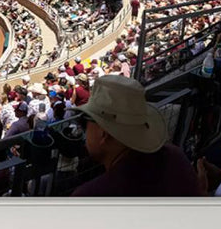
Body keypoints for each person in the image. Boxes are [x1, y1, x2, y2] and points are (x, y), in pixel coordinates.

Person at [72, 75, 201, 197]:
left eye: (85, 122)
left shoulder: (90, 197)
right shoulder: (175, 156)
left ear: (103, 134)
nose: (84, 130)